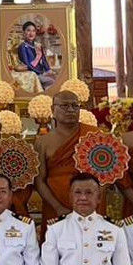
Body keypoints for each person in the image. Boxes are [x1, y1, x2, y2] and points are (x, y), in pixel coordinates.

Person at [35, 90, 83, 222]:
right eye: (65, 106)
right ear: (52, 109)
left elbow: (106, 173)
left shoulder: (93, 135)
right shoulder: (43, 142)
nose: (71, 110)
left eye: (75, 106)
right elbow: (39, 181)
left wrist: (95, 199)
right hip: (55, 201)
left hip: (89, 201)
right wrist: (57, 207)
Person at [16, 20, 56, 90]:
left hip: (41, 72)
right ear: (24, 32)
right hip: (32, 74)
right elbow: (27, 64)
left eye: (33, 31)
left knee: (55, 78)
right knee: (51, 82)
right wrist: (41, 73)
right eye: (28, 30)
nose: (31, 33)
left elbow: (43, 60)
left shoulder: (38, 45)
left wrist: (48, 70)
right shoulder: (22, 47)